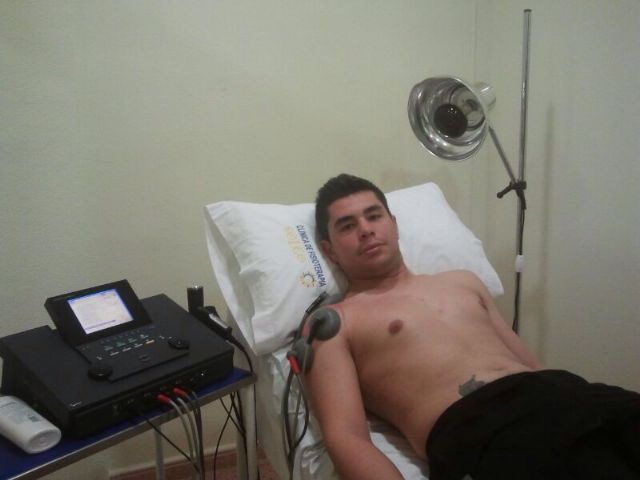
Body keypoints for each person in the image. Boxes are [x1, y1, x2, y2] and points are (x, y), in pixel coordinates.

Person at [305, 173, 640, 480]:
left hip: (572, 393)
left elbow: (530, 364)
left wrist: (562, 388)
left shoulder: (463, 281)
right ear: (329, 250)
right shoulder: (335, 323)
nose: (366, 229)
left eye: (374, 216)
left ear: (393, 224)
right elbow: (346, 437)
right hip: (483, 424)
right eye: (347, 226)